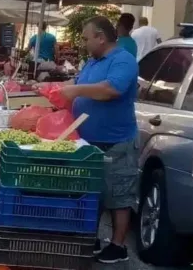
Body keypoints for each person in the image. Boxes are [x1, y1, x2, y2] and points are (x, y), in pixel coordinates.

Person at [53, 16, 139, 264]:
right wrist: (56, 87)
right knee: (92, 192)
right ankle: (90, 239)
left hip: (116, 141)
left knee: (118, 196)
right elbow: (78, 83)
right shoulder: (93, 61)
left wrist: (77, 91)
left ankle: (118, 246)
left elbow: (111, 89)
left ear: (101, 38)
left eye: (86, 38)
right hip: (88, 142)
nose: (84, 43)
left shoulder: (123, 60)